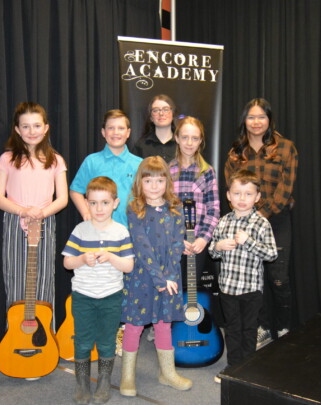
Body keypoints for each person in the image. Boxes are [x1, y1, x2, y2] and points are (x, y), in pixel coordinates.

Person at [225, 98, 298, 350]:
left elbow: (285, 189)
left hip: (276, 221)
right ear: (244, 121)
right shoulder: (236, 153)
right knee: (254, 280)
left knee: (278, 278)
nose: (256, 122)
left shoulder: (286, 148)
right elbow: (232, 189)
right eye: (251, 117)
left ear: (269, 120)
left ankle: (284, 327)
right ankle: (263, 328)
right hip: (245, 223)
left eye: (261, 117)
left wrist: (260, 216)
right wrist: (248, 218)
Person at [119, 156, 192, 397]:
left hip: (169, 278)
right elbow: (142, 247)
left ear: (167, 182)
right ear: (140, 182)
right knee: (134, 325)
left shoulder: (175, 209)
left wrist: (169, 276)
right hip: (142, 276)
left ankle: (167, 373)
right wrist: (160, 279)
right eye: (148, 180)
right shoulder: (135, 209)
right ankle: (127, 376)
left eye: (159, 180)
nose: (154, 186)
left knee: (164, 323)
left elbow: (177, 244)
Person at [62, 177, 134, 404]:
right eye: (93, 203)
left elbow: (128, 266)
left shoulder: (121, 232)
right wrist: (82, 259)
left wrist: (111, 257)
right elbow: (67, 263)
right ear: (86, 203)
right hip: (83, 296)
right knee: (82, 341)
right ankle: (82, 382)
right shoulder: (80, 230)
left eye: (105, 202)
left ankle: (104, 380)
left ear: (115, 203)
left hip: (111, 296)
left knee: (106, 341)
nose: (99, 208)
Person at [0, 101, 68, 311]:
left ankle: (44, 330)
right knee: (15, 276)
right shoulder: (7, 159)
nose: (32, 131)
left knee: (43, 278)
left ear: (46, 128)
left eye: (36, 126)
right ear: (17, 130)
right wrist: (23, 211)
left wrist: (41, 213)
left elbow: (62, 198)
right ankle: (15, 329)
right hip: (15, 222)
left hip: (44, 221)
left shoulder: (56, 160)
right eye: (25, 126)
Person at [209, 169, 278, 383]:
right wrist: (218, 246)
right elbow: (212, 251)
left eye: (248, 194)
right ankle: (232, 367)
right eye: (237, 193)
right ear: (228, 195)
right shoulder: (223, 221)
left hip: (251, 290)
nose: (242, 198)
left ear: (257, 197)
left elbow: (272, 254)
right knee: (232, 328)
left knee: (248, 329)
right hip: (228, 288)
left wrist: (248, 242)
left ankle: (247, 368)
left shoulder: (261, 223)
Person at [169, 116, 220, 288]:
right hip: (173, 242)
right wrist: (176, 239)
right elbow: (163, 210)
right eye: (185, 137)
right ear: (177, 138)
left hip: (197, 243)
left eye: (195, 138)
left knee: (190, 289)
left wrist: (203, 239)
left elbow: (213, 209)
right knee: (172, 289)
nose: (189, 143)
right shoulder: (167, 171)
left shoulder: (207, 172)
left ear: (200, 141)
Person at [70, 109, 142, 227]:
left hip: (131, 230)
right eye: (111, 128)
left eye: (121, 128)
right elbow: (75, 191)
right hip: (98, 229)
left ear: (128, 133)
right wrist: (86, 213)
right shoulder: (91, 161)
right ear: (103, 132)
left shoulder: (139, 164)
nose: (116, 132)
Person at [132, 94, 177, 163]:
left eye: (166, 109)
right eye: (156, 110)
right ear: (151, 117)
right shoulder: (140, 146)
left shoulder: (182, 144)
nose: (161, 113)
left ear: (173, 114)